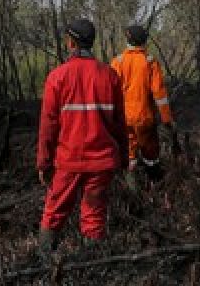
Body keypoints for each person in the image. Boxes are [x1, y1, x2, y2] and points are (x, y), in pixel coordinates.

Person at [37, 19, 128, 259]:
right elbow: (120, 123)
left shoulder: (57, 77)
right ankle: (93, 267)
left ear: (71, 42)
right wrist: (125, 157)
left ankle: (42, 263)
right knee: (94, 217)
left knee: (54, 213)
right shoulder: (110, 76)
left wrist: (43, 164)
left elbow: (48, 126)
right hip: (101, 162)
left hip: (69, 161)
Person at [110, 24, 173, 183]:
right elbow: (160, 94)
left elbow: (111, 93)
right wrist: (166, 119)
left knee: (129, 155)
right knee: (150, 155)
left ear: (128, 39)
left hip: (124, 119)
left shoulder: (117, 62)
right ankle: (154, 186)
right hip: (145, 119)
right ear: (144, 41)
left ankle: (133, 190)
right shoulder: (150, 61)